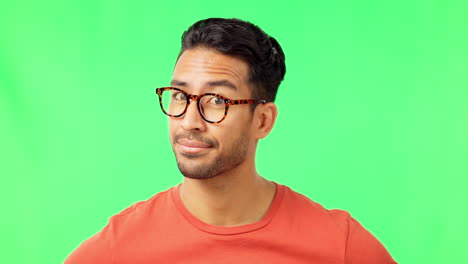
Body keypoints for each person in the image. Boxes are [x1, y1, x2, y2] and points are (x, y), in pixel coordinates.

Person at [64, 18, 397, 264]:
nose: (189, 121)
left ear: (262, 120)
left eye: (217, 101)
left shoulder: (339, 246)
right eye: (179, 95)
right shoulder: (121, 248)